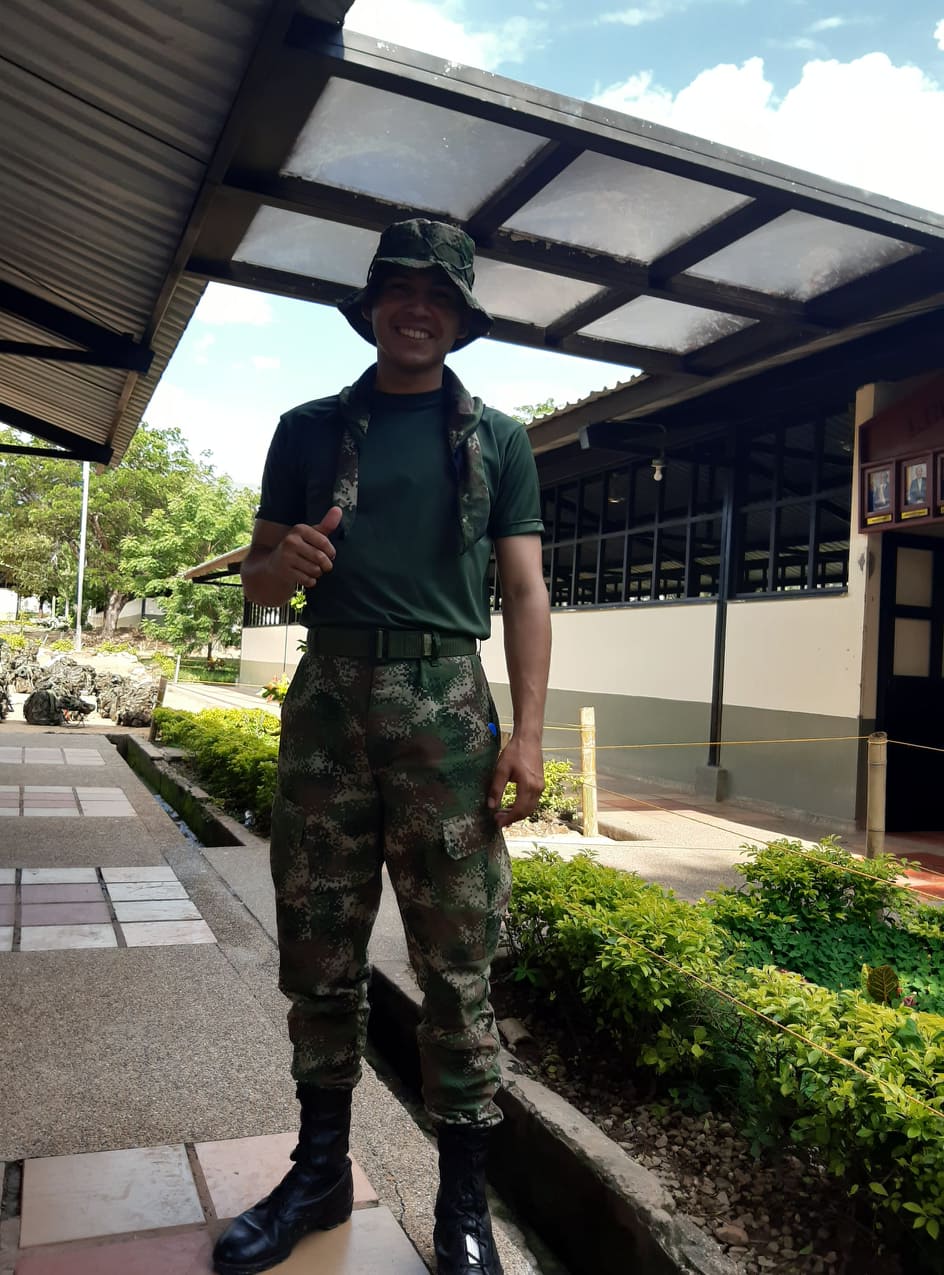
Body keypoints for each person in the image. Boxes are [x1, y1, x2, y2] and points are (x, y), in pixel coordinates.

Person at [212, 219, 551, 1275]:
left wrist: (528, 733)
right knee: (319, 944)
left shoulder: (499, 440)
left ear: (459, 319)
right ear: (370, 308)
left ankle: (462, 1208)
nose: (417, 309)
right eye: (400, 290)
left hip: (447, 704)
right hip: (328, 698)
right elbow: (258, 581)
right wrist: (281, 569)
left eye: (438, 296)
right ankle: (318, 1173)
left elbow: (525, 590)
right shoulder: (305, 429)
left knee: (456, 958)